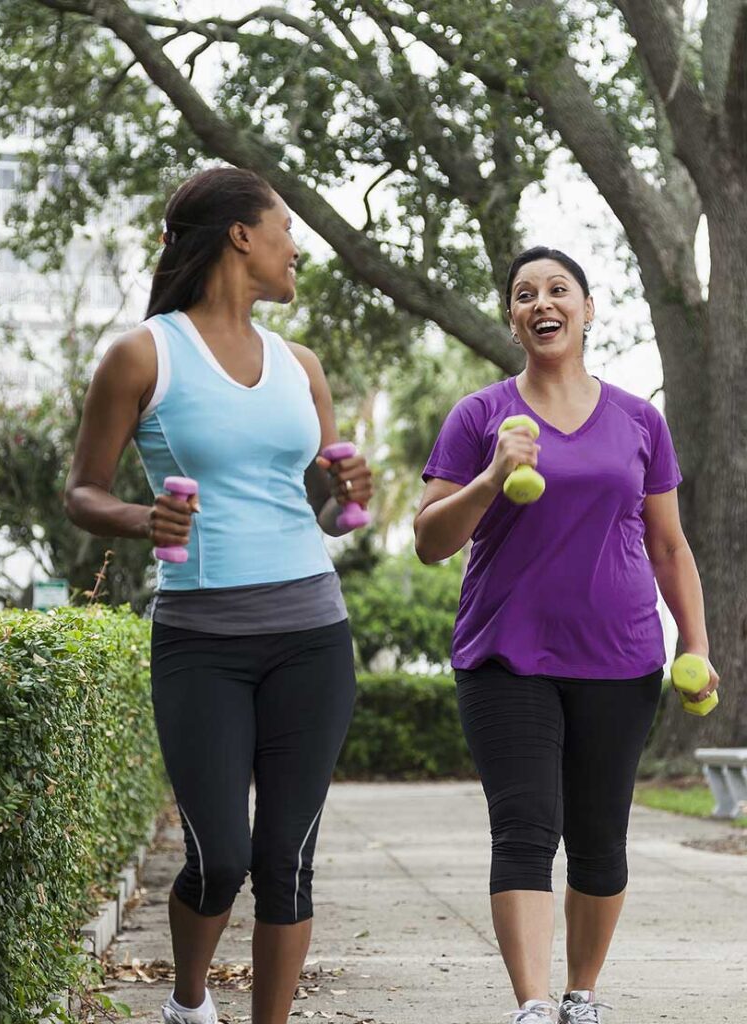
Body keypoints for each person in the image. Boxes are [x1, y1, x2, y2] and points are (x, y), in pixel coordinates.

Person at [64, 167, 373, 1024]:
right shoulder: (143, 353)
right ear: (242, 235)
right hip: (202, 639)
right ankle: (190, 1002)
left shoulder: (299, 364)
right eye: (285, 228)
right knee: (220, 856)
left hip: (312, 632)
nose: (295, 246)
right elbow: (82, 490)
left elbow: (329, 514)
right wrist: (142, 517)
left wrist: (353, 493)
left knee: (288, 857)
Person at [413, 246, 719, 1024]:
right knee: (523, 827)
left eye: (558, 290)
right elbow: (429, 540)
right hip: (505, 653)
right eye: (524, 294)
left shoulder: (639, 420)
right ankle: (534, 1004)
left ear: (586, 310)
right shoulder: (480, 417)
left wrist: (697, 645)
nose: (541, 302)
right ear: (513, 318)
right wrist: (490, 476)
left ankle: (582, 994)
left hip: (619, 656)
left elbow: (669, 545)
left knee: (599, 839)